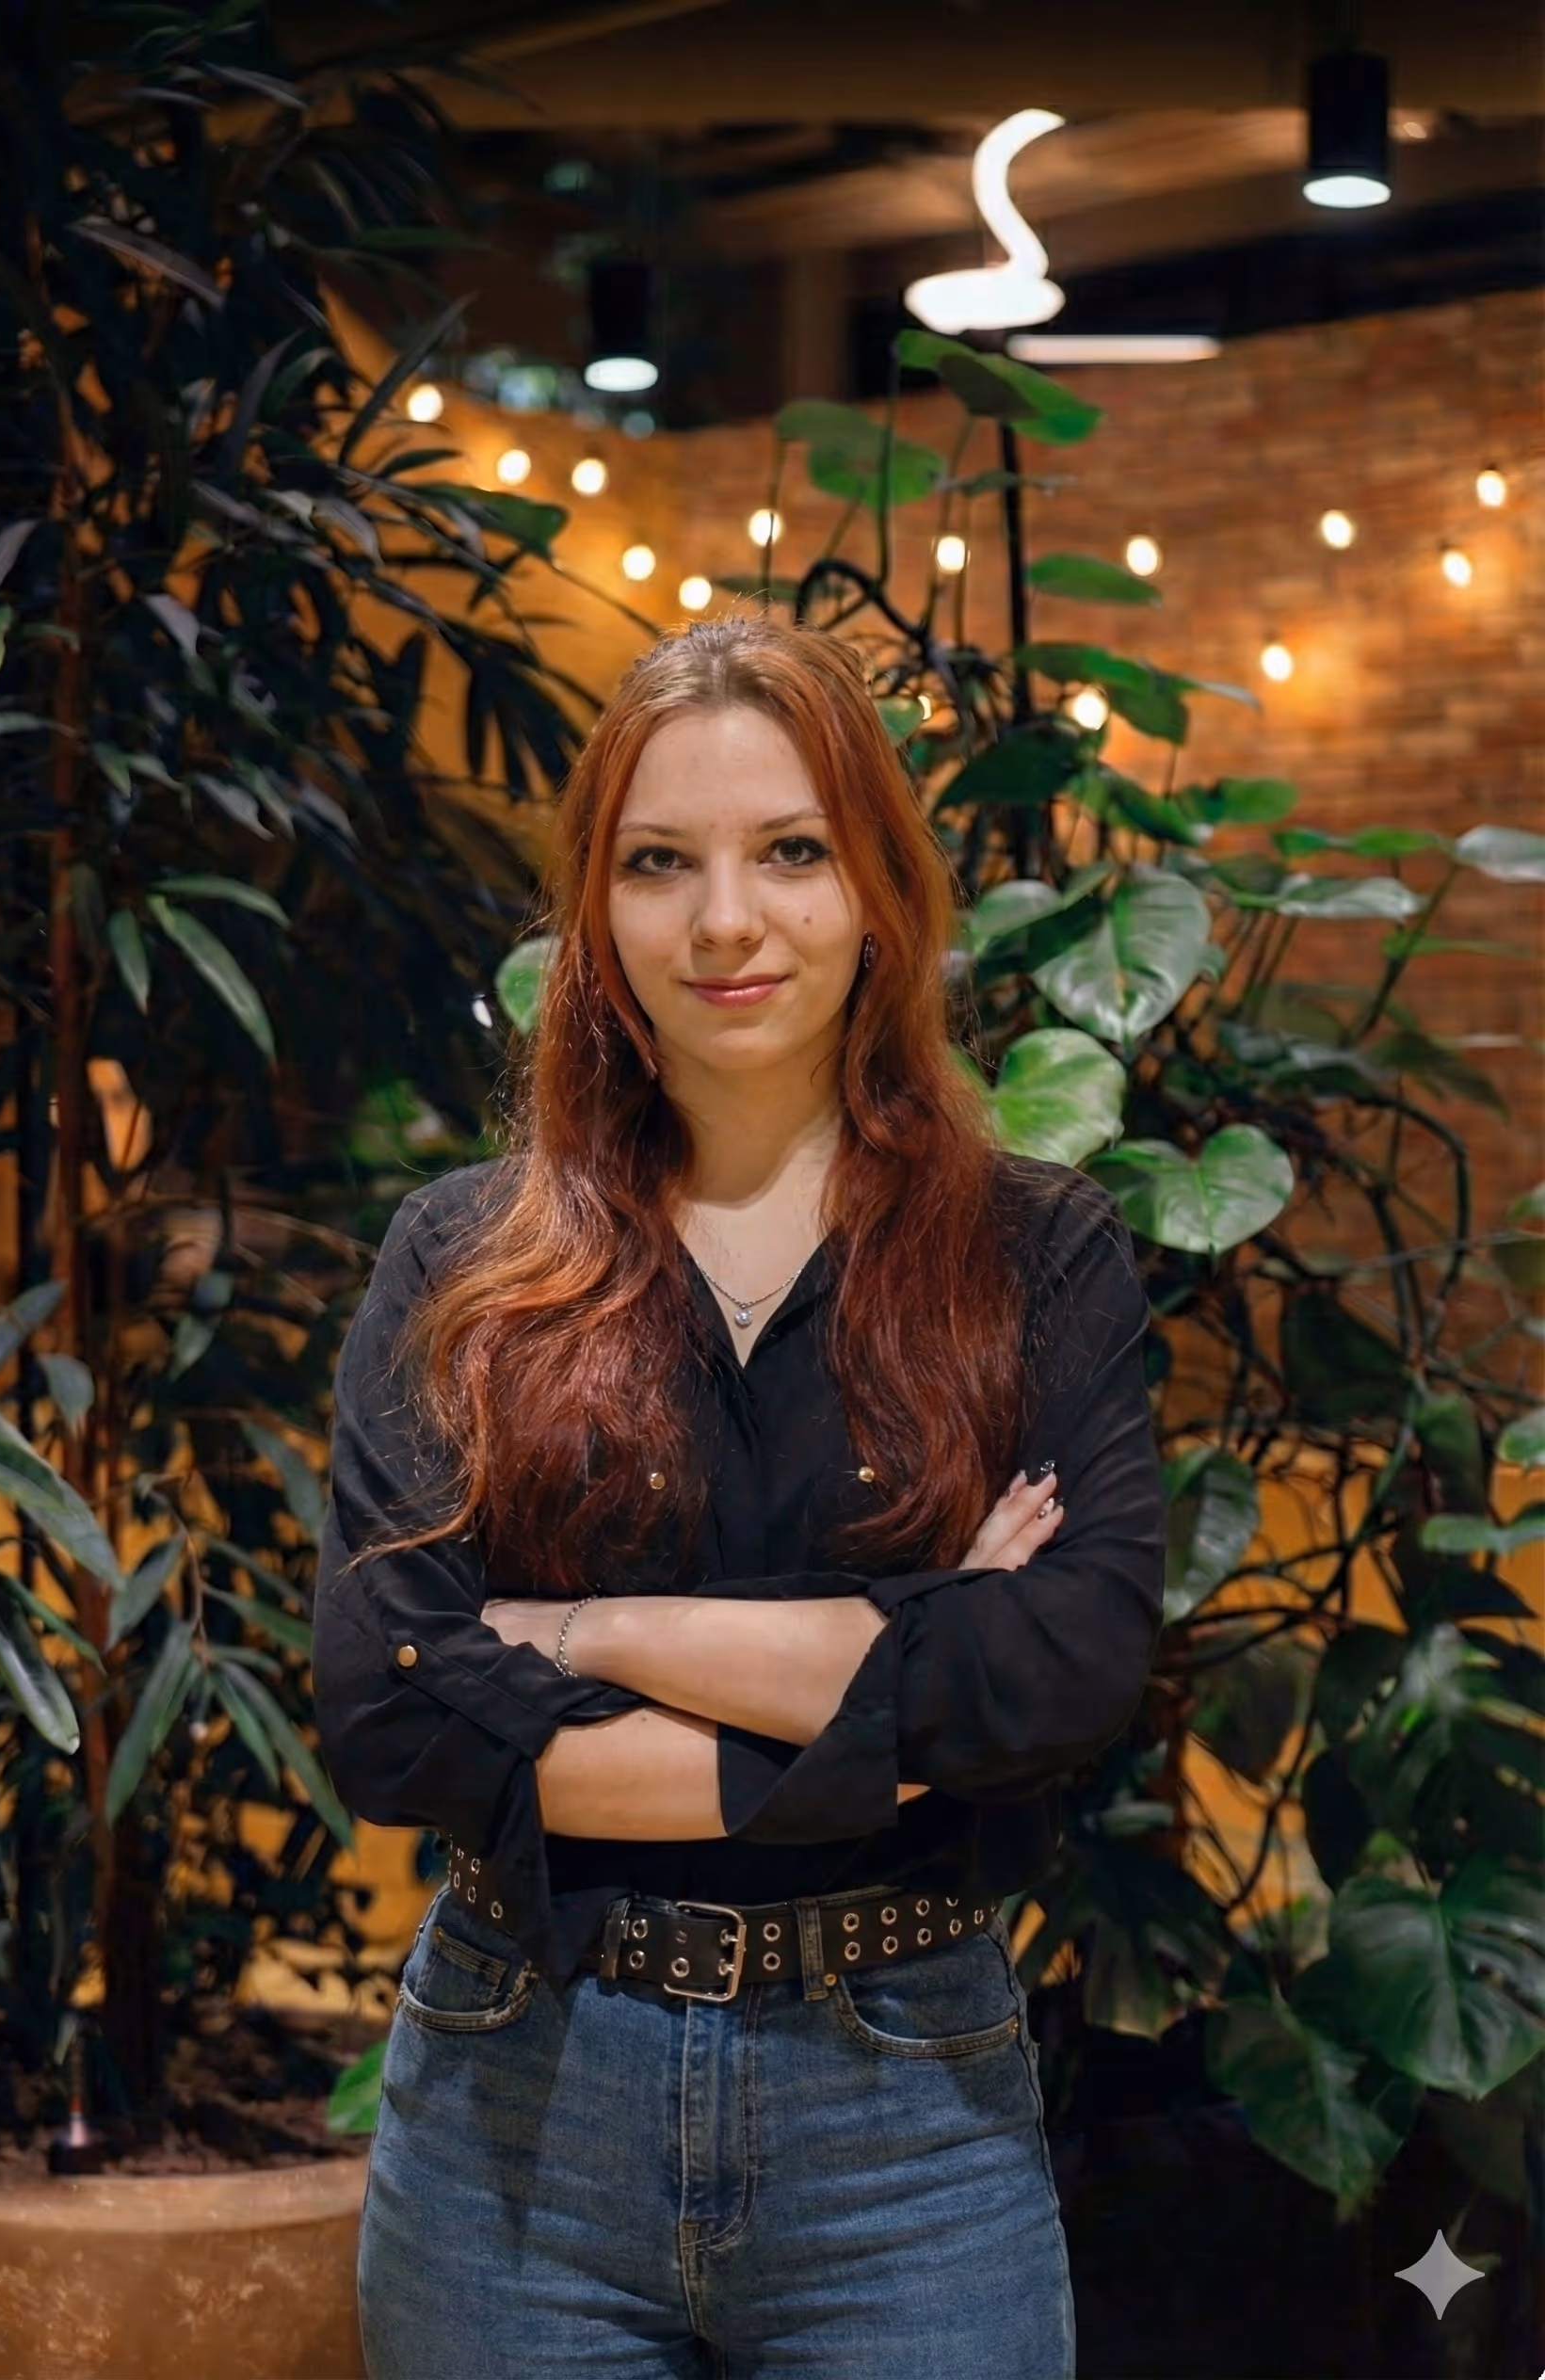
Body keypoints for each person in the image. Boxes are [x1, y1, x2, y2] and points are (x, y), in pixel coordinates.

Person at [313, 616, 1167, 2380]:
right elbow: (391, 1718)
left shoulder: (1036, 1257)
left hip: (906, 2123)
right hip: (518, 2106)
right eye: (657, 863)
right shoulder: (464, 1264)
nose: (724, 922)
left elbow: (1064, 1675)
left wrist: (587, 1632)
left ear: (880, 891)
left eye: (790, 850)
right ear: (594, 911)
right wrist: (903, 1687)